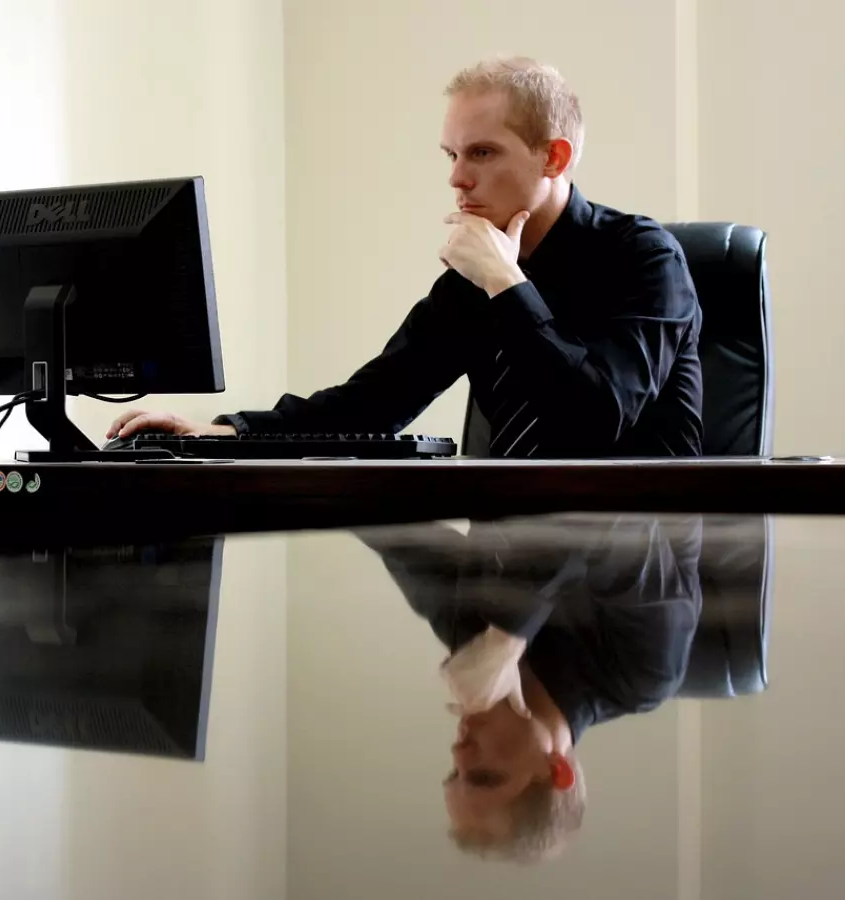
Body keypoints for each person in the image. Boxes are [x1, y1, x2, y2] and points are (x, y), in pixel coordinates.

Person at [108, 56, 703, 458]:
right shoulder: (475, 278)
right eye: (451, 154)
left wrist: (505, 282)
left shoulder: (645, 259)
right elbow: (371, 405)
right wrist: (223, 432)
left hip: (632, 579)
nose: (457, 179)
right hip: (510, 567)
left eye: (482, 153)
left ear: (553, 157)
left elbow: (596, 420)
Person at [355, 513, 703, 862]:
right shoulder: (642, 674)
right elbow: (602, 513)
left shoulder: (472, 643)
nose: (458, 752)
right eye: (484, 776)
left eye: (453, 773)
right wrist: (506, 638)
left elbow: (397, 534)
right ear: (557, 769)